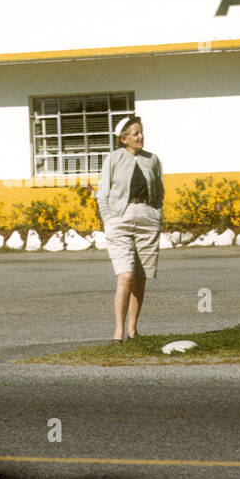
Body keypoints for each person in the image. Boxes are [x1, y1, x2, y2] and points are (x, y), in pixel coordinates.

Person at [95, 115, 164, 342]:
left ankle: (133, 330)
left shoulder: (152, 159)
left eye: (141, 132)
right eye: (135, 133)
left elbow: (160, 192)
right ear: (123, 138)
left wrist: (156, 214)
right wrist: (109, 219)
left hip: (147, 220)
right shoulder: (112, 159)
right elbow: (102, 193)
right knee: (126, 275)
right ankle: (118, 330)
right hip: (119, 220)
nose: (140, 136)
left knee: (140, 277)